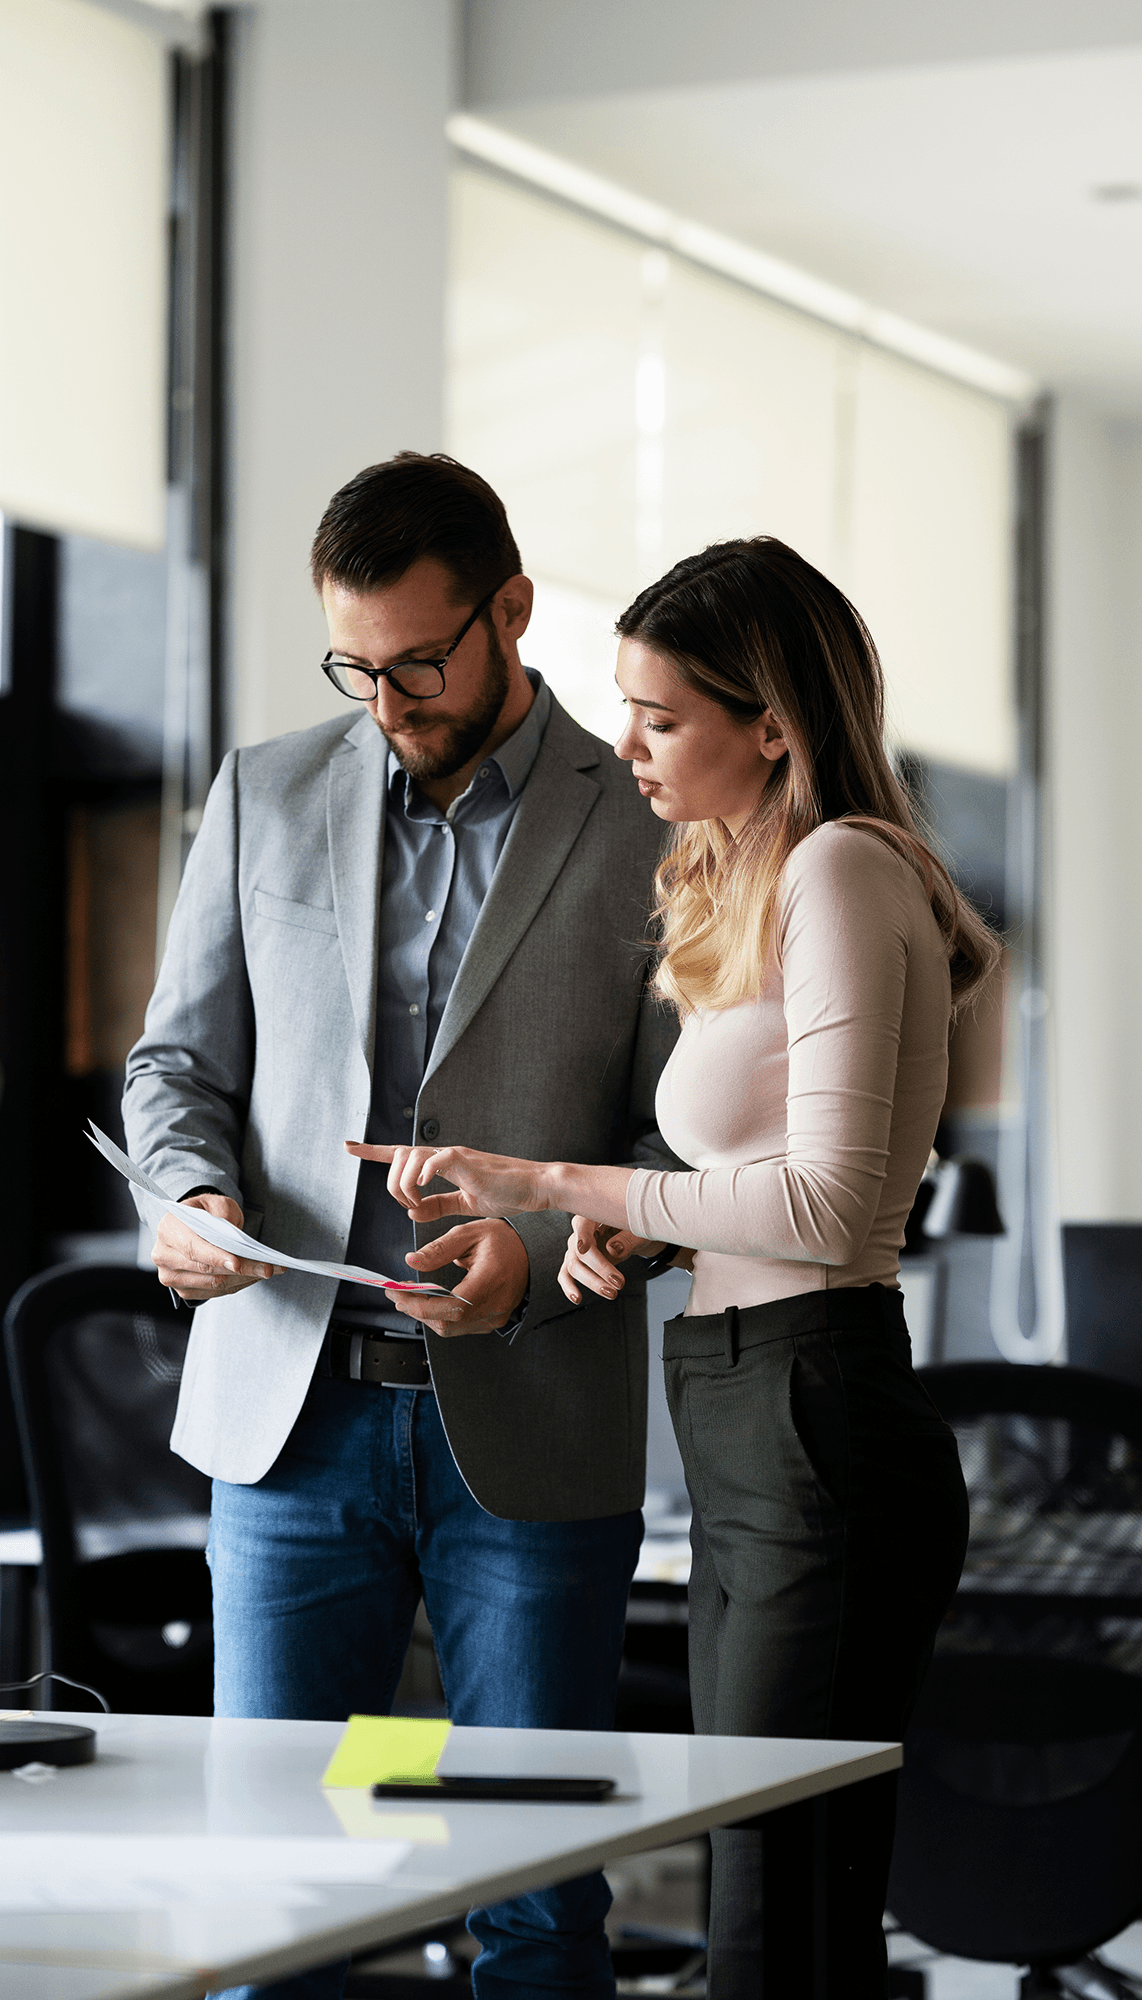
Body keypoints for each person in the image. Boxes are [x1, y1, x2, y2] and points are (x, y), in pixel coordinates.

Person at [355, 537, 998, 2000]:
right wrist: (653, 1222)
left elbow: (833, 1204)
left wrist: (554, 1181)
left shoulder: (839, 865)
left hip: (810, 1399)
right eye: (626, 709)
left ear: (770, 718)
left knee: (773, 1907)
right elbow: (765, 1172)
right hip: (740, 1397)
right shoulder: (756, 883)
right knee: (770, 1889)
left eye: (661, 717)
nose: (627, 744)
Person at [122, 452, 681, 2000]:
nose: (388, 698)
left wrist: (549, 1261)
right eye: (354, 666)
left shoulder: (644, 819)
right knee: (275, 1886)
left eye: (420, 661)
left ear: (510, 609)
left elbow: (678, 1137)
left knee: (532, 1897)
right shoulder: (267, 788)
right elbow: (176, 1061)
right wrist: (191, 1196)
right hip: (290, 1420)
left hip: (532, 1418)